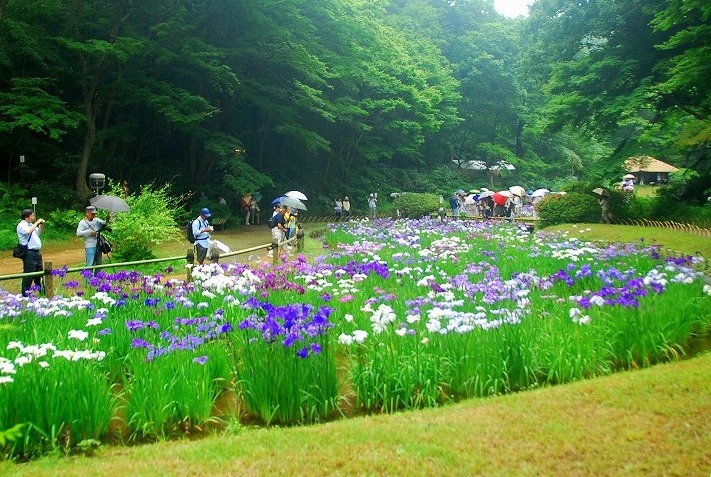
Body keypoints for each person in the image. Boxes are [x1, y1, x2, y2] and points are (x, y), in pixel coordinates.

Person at [16, 209, 45, 296]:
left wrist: (41, 226)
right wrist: (36, 223)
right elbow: (28, 232)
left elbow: (38, 233)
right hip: (29, 252)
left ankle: (41, 292)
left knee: (39, 273)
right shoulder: (22, 225)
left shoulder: (31, 225)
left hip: (37, 252)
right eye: (32, 215)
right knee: (29, 273)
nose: (33, 217)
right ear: (26, 217)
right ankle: (25, 294)